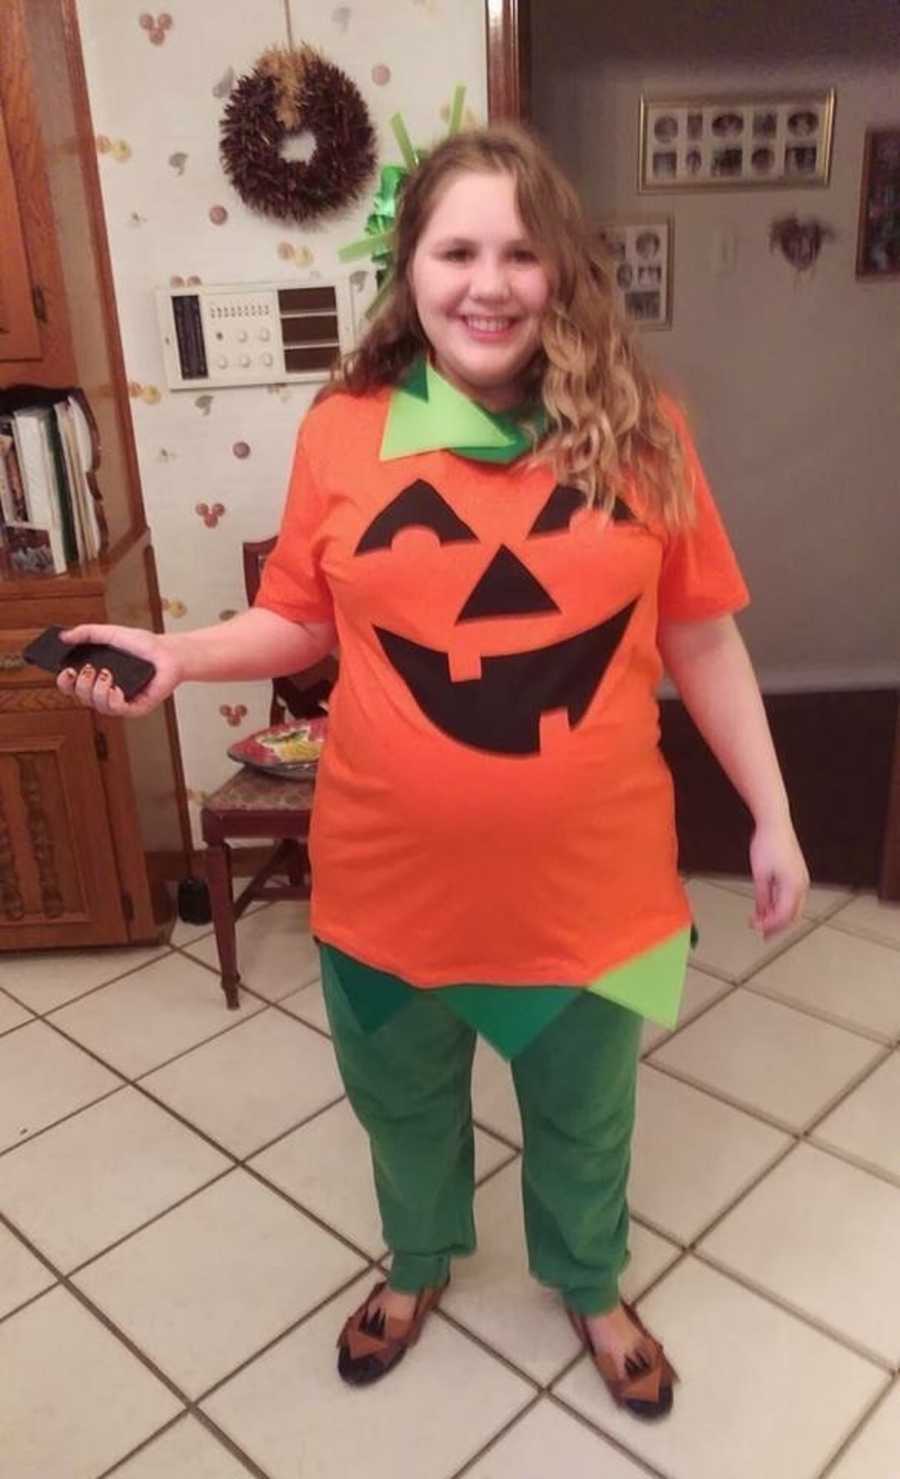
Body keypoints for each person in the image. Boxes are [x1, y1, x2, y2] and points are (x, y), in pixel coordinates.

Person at [59, 122, 809, 1420]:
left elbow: (702, 635)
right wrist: (178, 655)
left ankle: (588, 1278)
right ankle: (415, 1268)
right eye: (458, 249)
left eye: (522, 251)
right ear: (410, 272)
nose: (489, 281)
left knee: (589, 1121)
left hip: (597, 888)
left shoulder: (643, 433)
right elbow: (303, 620)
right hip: (389, 884)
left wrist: (775, 815)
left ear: (562, 270)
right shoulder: (346, 433)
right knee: (403, 1112)